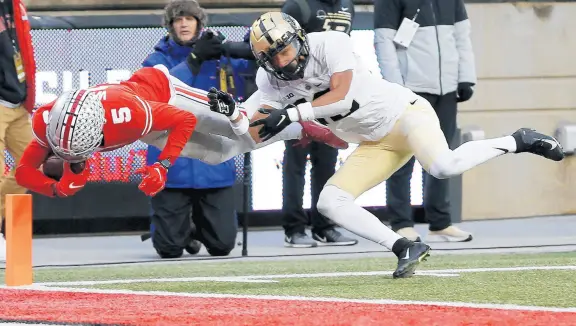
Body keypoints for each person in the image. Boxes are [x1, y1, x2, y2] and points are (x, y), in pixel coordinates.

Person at [239, 12, 564, 278]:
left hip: (406, 115)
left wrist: (292, 114)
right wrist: (228, 115)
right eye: (273, 57)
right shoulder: (271, 80)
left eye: (285, 50)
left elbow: (342, 96)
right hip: (374, 143)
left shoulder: (330, 43)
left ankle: (517, 140)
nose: (282, 62)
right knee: (330, 202)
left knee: (442, 166)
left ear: (299, 39)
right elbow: (247, 122)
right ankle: (403, 246)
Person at [14, 65, 347, 199]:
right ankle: (294, 131)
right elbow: (25, 171)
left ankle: (291, 106)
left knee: (235, 127)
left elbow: (182, 121)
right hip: (142, 125)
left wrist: (163, 166)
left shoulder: (127, 116)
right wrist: (53, 188)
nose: (55, 155)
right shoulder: (49, 122)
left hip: (162, 93)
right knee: (219, 154)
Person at [139, 0, 252, 259]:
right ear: (170, 26)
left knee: (222, 246)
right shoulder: (157, 59)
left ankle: (199, 227)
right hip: (172, 165)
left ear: (199, 23)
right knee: (168, 249)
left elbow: (250, 80)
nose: (184, 23)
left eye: (189, 18)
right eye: (178, 19)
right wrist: (194, 58)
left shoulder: (219, 56)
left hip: (213, 166)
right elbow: (159, 93)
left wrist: (252, 48)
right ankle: (183, 231)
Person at [373, 0, 476, 242]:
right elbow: (383, 42)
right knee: (403, 155)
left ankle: (440, 222)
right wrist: (397, 87)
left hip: (447, 89)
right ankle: (401, 222)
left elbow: (462, 37)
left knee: (442, 156)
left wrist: (466, 77)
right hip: (412, 89)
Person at [278, 0, 358, 248]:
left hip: (330, 95)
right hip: (299, 91)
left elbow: (345, 50)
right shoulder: (298, 5)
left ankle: (325, 226)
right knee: (296, 163)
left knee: (327, 163)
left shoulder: (347, 5)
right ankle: (294, 227)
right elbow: (279, 48)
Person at [0, 0, 36, 262]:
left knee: (33, 164)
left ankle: (3, 222)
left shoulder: (14, 6)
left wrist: (28, 96)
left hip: (17, 102)